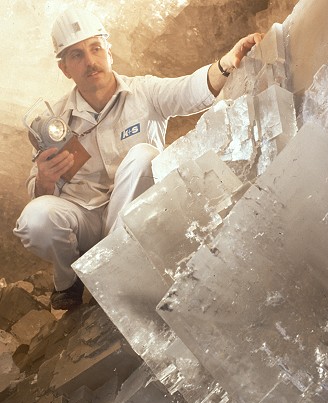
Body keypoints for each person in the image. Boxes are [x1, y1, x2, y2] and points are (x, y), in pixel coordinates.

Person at [14, 7, 262, 310]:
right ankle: (71, 281)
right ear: (64, 68)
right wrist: (44, 179)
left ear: (109, 51)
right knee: (35, 217)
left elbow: (189, 90)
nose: (90, 61)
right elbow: (38, 196)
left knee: (144, 156)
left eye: (95, 49)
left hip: (137, 223)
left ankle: (113, 268)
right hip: (87, 223)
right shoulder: (54, 123)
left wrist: (226, 63)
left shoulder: (144, 91)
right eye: (77, 55)